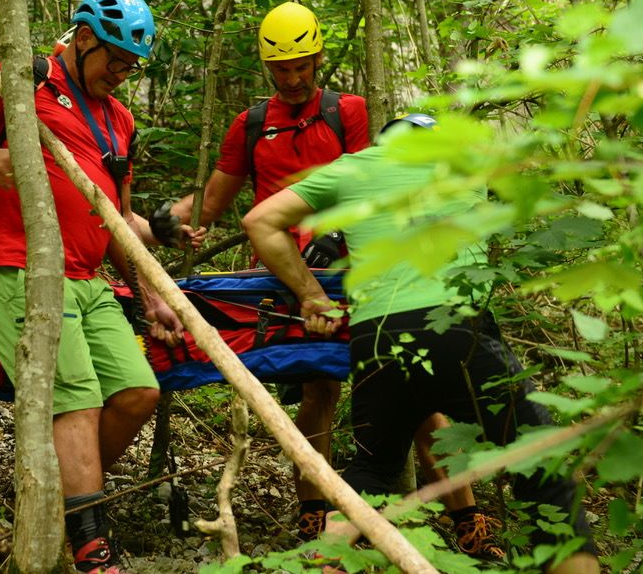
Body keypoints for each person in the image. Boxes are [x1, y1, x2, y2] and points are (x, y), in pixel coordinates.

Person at [163, 2, 491, 555]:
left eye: (301, 68)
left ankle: (470, 522)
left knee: (413, 391)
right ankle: (314, 514)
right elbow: (212, 203)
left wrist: (341, 234)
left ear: (317, 59)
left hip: (354, 272)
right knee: (318, 390)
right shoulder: (250, 125)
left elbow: (369, 185)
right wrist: (157, 225)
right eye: (280, 71)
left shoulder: (349, 112)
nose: (292, 80)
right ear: (268, 69)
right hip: (288, 280)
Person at [243, 114, 600, 573]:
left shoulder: (353, 167)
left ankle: (323, 564)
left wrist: (311, 295)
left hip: (377, 341)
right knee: (542, 461)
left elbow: (260, 220)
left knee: (370, 475)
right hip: (458, 332)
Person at [0, 0, 187, 573]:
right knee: (76, 400)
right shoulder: (24, 77)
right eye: (114, 59)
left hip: (91, 278)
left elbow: (117, 219)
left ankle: (58, 503)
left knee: (136, 393)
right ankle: (92, 545)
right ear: (86, 37)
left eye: (132, 65)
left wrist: (150, 294)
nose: (122, 74)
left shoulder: (120, 118)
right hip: (17, 264)